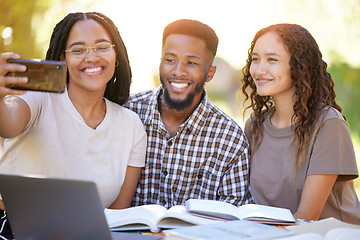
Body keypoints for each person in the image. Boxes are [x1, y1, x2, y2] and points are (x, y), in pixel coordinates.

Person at [0, 12, 147, 239]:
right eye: (78, 50)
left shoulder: (131, 125)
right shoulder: (38, 98)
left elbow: (118, 217)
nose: (91, 57)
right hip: (14, 228)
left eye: (102, 47)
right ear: (63, 59)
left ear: (115, 54)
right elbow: (7, 125)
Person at [124, 19, 252, 209]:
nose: (178, 71)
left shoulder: (230, 139)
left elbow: (233, 216)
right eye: (170, 60)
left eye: (191, 62)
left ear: (210, 73)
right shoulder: (127, 112)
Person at [240, 23, 360, 223]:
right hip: (269, 234)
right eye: (255, 59)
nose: (259, 69)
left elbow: (307, 217)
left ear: (299, 65)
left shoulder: (328, 124)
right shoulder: (255, 125)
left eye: (272, 59)